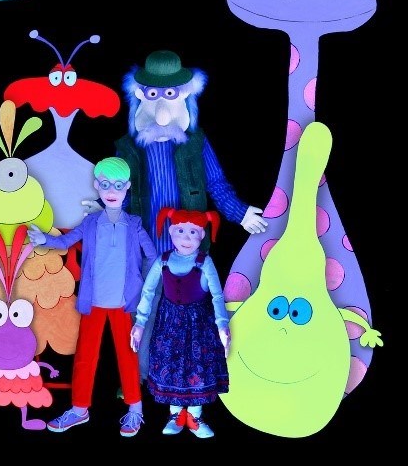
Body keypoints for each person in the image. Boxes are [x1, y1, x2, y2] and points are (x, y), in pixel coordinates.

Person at [85, 50, 267, 382]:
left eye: (169, 94)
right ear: (140, 96)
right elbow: (119, 190)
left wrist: (239, 213)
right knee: (144, 313)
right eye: (153, 94)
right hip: (145, 249)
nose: (161, 106)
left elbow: (215, 182)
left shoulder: (196, 143)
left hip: (189, 248)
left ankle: (186, 380)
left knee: (192, 315)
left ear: (184, 96)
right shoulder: (128, 147)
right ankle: (139, 381)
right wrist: (104, 210)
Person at [28, 156, 157, 438]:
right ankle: (78, 409)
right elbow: (66, 241)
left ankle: (136, 409)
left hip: (124, 304)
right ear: (97, 185)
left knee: (128, 357)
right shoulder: (90, 223)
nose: (112, 190)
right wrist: (44, 240)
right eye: (106, 184)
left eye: (119, 185)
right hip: (94, 302)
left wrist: (157, 277)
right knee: (85, 356)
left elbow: (153, 257)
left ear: (128, 187)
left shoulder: (135, 224)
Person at [131, 207, 230, 439]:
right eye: (181, 231)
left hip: (198, 326)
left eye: (193, 232)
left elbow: (217, 295)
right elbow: (148, 292)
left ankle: (195, 416)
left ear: (202, 235)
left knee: (198, 366)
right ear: (171, 232)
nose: (186, 238)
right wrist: (140, 323)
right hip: (168, 325)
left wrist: (222, 325)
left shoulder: (205, 262)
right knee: (170, 364)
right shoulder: (163, 261)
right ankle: (175, 414)